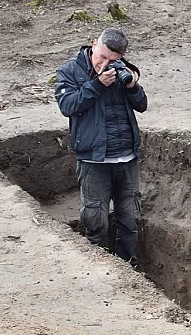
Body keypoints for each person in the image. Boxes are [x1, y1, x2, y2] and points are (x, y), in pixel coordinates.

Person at [55, 28, 148, 264]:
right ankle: (100, 272)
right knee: (95, 220)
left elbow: (142, 105)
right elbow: (68, 105)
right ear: (94, 44)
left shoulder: (121, 71)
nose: (105, 64)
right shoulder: (70, 71)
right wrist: (96, 85)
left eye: (112, 60)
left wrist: (132, 87)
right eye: (102, 56)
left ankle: (129, 270)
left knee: (129, 219)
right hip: (94, 160)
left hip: (126, 158)